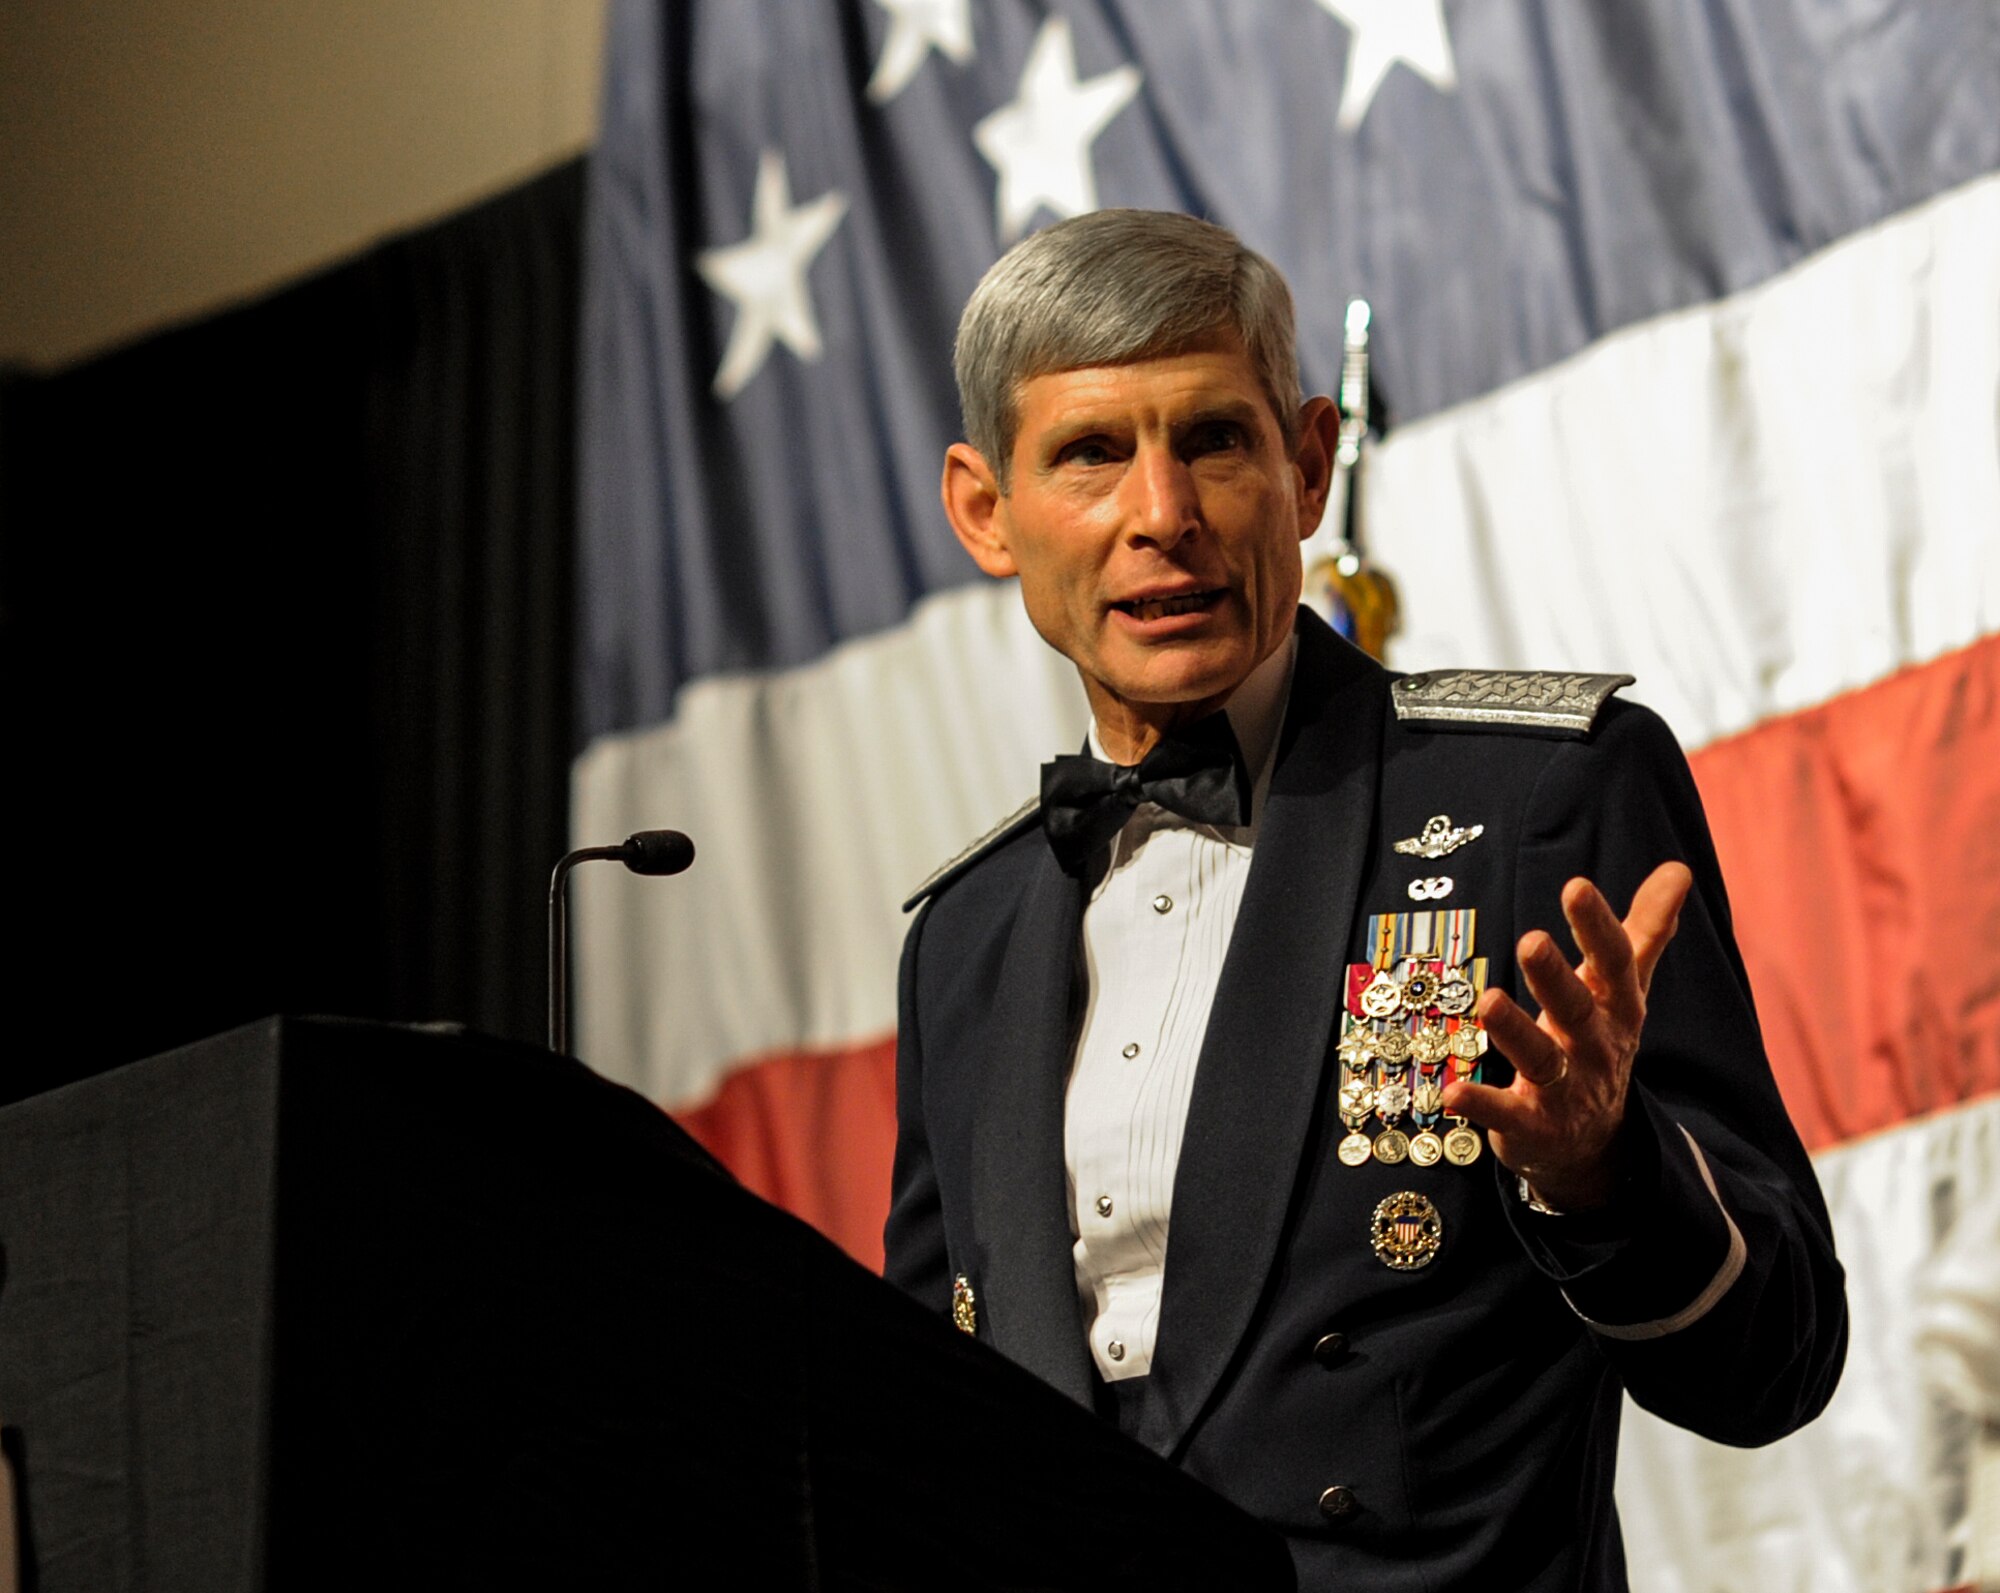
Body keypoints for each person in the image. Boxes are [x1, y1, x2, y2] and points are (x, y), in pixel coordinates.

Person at [882, 209, 1846, 1591]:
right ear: (986, 508)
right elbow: (924, 1438)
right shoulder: (959, 942)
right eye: (1093, 452)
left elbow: (1781, 1357)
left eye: (1214, 438)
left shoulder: (1543, 800)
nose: (1165, 515)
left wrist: (1601, 1176)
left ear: (1310, 462)